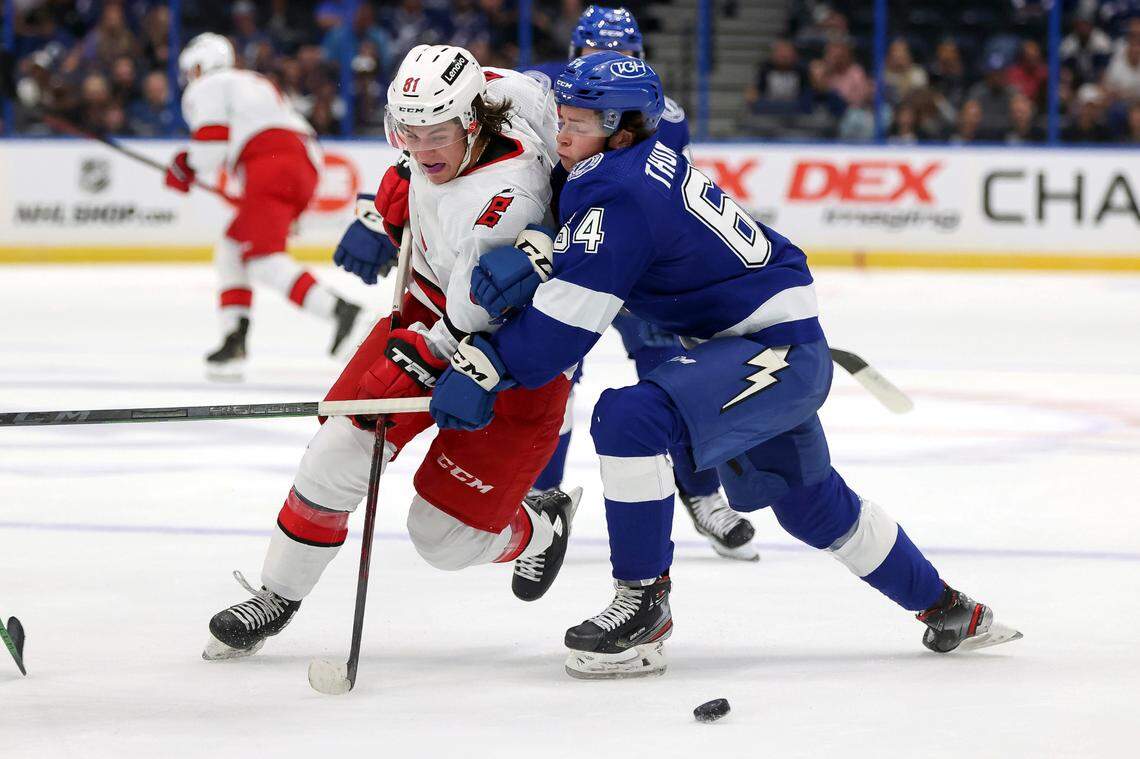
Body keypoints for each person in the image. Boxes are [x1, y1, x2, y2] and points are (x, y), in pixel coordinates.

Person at [431, 52, 1023, 679]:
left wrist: (489, 365)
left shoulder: (616, 188)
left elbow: (567, 329)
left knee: (630, 418)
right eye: (563, 118)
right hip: (753, 340)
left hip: (774, 349)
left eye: (576, 123)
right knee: (809, 505)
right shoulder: (628, 164)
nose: (561, 136)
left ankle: (642, 606)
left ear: (619, 128)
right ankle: (948, 607)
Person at [203, 45, 578, 660]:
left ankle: (539, 528)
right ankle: (277, 593)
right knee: (335, 454)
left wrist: (412, 362)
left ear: (471, 123)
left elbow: (469, 323)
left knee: (444, 540)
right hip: (433, 313)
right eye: (410, 132)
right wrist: (386, 209)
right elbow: (534, 88)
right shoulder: (502, 92)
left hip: (515, 359)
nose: (422, 148)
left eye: (436, 135)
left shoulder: (500, 211)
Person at [524, 4, 760, 562]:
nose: (609, 66)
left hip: (634, 271)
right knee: (552, 381)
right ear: (574, 53)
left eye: (624, 56)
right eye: (595, 54)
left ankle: (703, 495)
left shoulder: (663, 116)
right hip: (563, 259)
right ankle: (538, 503)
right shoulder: (536, 92)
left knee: (674, 384)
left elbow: (667, 203)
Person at [165, 33, 362, 380]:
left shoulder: (208, 85)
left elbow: (210, 148)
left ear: (197, 66)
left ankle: (341, 311)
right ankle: (234, 339)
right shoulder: (252, 82)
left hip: (271, 162)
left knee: (261, 258)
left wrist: (186, 166)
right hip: (299, 162)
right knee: (232, 247)